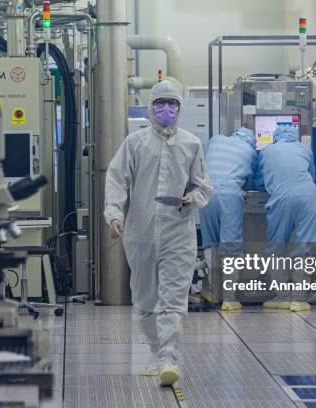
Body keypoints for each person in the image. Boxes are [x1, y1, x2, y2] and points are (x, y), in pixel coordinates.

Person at [104, 80, 213, 386]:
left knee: (173, 299)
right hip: (139, 232)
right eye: (160, 103)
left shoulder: (192, 144)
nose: (166, 109)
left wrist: (193, 197)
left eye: (173, 103)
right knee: (145, 299)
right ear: (150, 106)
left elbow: (203, 184)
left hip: (178, 231)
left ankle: (169, 358)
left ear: (181, 107)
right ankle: (156, 351)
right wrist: (114, 214)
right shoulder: (135, 143)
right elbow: (116, 179)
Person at [257, 124, 316, 312]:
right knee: (305, 246)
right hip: (308, 195)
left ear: (275, 136)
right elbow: (313, 175)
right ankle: (299, 299)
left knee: (276, 245)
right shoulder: (305, 149)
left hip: (281, 196)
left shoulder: (267, 151)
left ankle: (283, 296)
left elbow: (259, 180)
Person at [199, 127, 260, 311]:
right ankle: (229, 299)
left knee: (211, 244)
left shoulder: (216, 139)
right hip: (229, 196)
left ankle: (214, 293)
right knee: (230, 246)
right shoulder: (250, 152)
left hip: (206, 194)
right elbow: (251, 182)